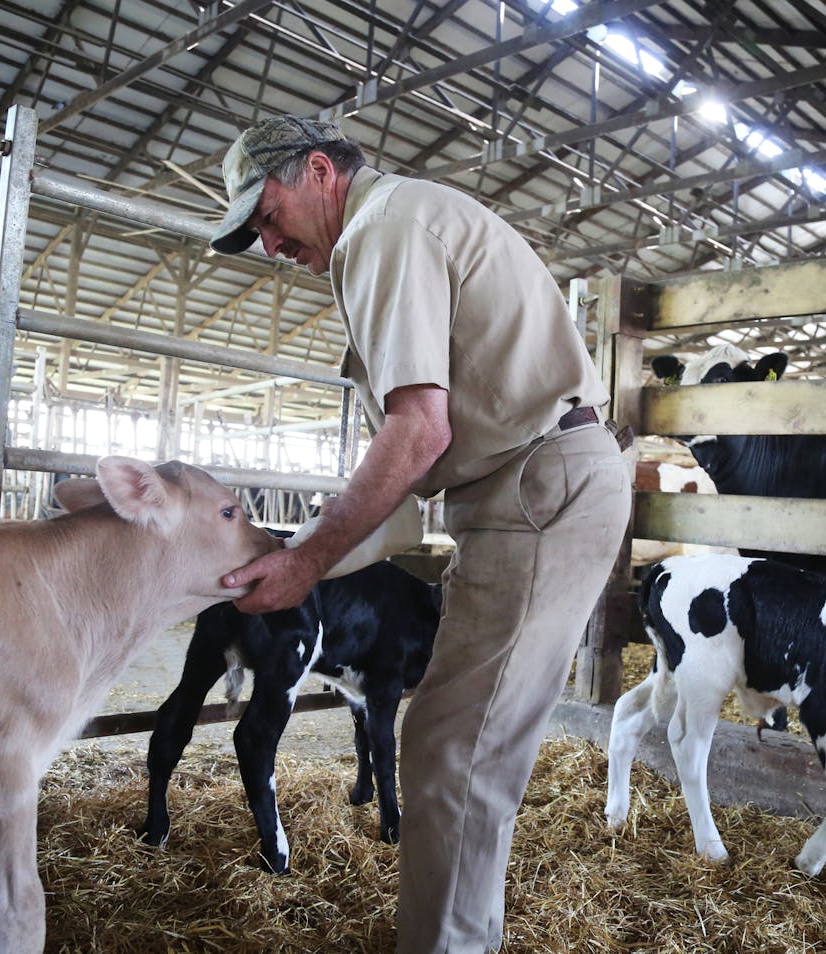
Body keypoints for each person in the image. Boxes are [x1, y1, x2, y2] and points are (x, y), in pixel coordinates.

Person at [210, 115, 631, 954]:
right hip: (526, 489)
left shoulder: (383, 229)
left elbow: (417, 433)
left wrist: (307, 564)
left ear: (319, 172)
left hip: (534, 492)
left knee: (452, 754)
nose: (267, 244)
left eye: (265, 215)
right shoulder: (391, 223)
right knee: (461, 749)